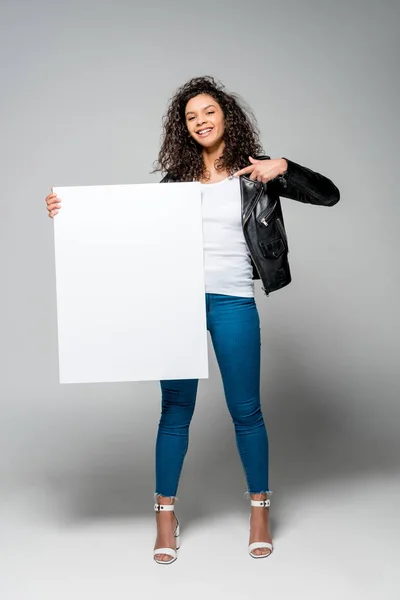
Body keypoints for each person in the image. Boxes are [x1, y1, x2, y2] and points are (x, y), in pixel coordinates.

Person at [45, 75, 340, 565]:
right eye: (191, 116)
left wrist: (284, 167)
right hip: (175, 306)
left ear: (227, 116)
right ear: (183, 128)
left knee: (246, 411)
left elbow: (328, 195)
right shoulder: (175, 183)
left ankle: (260, 511)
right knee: (174, 411)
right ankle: (165, 516)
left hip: (232, 302)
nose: (201, 121)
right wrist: (68, 213)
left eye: (209, 111)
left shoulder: (256, 173)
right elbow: (123, 228)